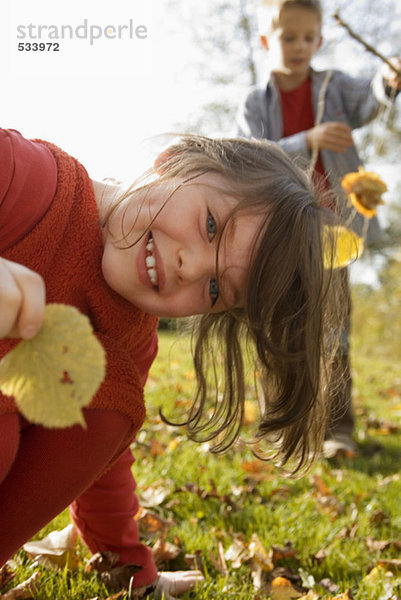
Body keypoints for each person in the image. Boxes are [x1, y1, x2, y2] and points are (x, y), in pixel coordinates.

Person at [0, 127, 346, 597]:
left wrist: (129, 570)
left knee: (109, 406)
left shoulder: (129, 347)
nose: (191, 267)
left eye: (215, 289)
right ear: (174, 161)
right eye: (210, 226)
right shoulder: (26, 181)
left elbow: (98, 462)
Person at [236, 0, 401, 458]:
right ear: (269, 41)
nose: (299, 46)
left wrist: (388, 81)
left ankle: (338, 430)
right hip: (280, 231)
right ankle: (281, 426)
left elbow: (370, 97)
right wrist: (307, 140)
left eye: (308, 38)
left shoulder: (332, 86)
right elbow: (252, 156)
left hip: (333, 232)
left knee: (334, 332)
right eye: (288, 37)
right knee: (279, 330)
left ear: (320, 41)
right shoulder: (254, 102)